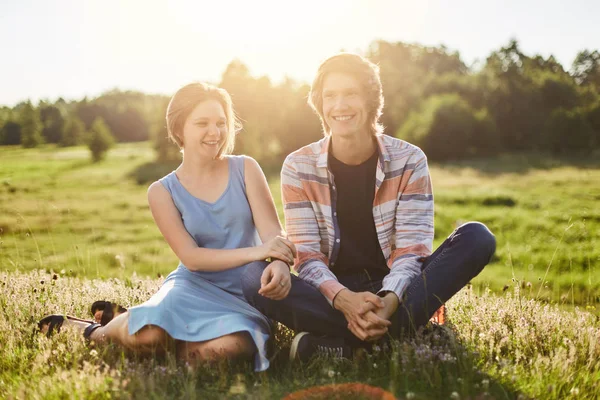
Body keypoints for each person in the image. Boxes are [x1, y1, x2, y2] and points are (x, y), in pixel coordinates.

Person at [241, 53, 496, 361]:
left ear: (371, 99)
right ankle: (392, 337)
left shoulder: (409, 160)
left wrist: (388, 300)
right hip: (331, 291)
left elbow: (411, 252)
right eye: (330, 96)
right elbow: (308, 257)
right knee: (250, 276)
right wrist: (344, 300)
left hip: (399, 286)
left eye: (351, 94)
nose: (340, 105)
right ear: (320, 104)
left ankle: (344, 344)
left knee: (476, 237)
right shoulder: (298, 166)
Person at [38, 82, 296, 371]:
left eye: (221, 123)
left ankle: (146, 323)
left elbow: (274, 234)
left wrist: (280, 262)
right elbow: (193, 258)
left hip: (246, 294)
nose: (215, 132)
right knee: (148, 336)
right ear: (179, 129)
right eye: (202, 123)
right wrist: (258, 252)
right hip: (193, 286)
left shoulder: (246, 168)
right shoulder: (162, 191)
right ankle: (93, 331)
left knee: (225, 350)